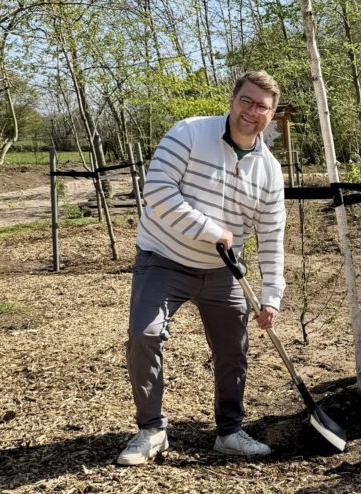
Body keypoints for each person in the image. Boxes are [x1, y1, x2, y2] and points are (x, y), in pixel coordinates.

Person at [117, 71, 287, 465]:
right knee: (144, 334)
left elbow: (272, 237)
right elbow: (157, 191)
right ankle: (151, 430)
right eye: (246, 101)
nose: (252, 111)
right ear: (233, 99)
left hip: (223, 271)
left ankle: (229, 432)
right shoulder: (190, 133)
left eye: (262, 106)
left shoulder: (269, 171)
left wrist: (271, 297)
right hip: (164, 257)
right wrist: (211, 229)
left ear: (272, 114)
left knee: (233, 350)